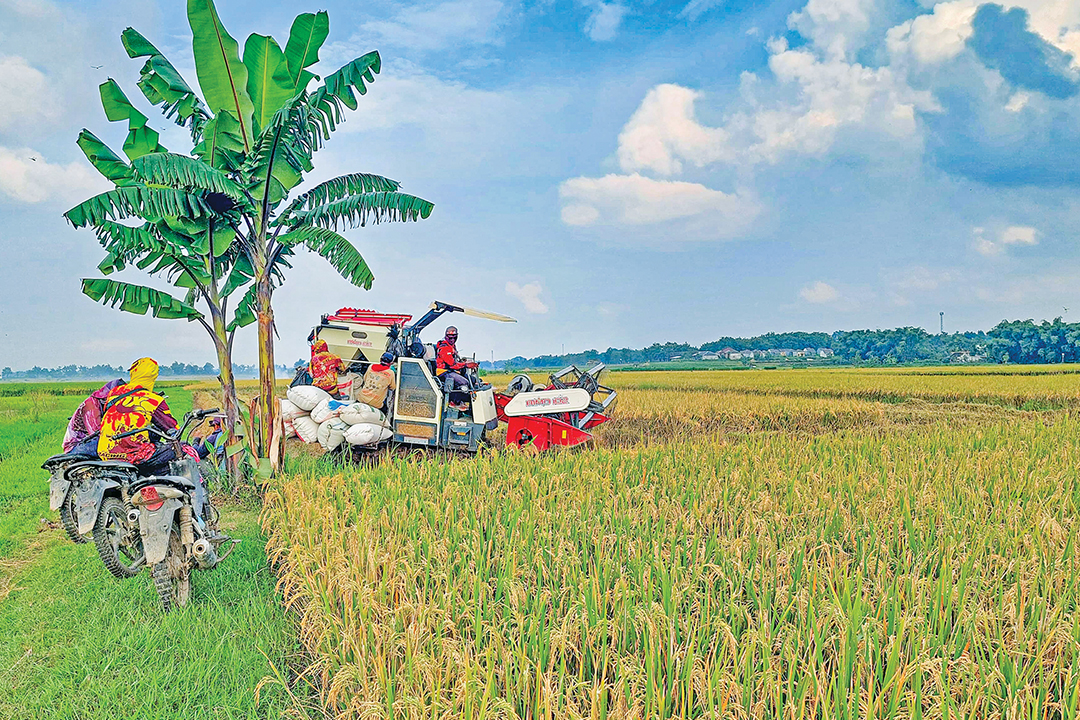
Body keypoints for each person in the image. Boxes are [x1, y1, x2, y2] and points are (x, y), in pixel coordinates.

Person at [97, 358, 184, 475]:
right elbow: (173, 430)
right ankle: (194, 491)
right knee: (184, 448)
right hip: (133, 456)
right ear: (153, 376)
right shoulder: (154, 400)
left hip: (105, 452)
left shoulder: (114, 393)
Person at [63, 377, 124, 456]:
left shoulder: (104, 405)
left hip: (89, 442)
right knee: (111, 447)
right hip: (77, 446)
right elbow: (96, 433)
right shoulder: (91, 405)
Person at [435, 326, 477, 409]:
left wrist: (463, 362)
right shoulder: (444, 348)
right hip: (444, 372)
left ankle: (467, 401)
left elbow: (456, 361)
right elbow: (452, 364)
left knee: (473, 380)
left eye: (454, 338)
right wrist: (465, 365)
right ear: (446, 336)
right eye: (450, 338)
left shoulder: (452, 346)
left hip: (451, 371)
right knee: (463, 382)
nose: (452, 340)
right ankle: (454, 402)